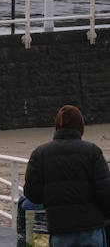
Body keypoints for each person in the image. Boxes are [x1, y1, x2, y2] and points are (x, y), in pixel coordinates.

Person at [23, 104, 110, 247]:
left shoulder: (39, 154)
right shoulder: (93, 152)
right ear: (81, 126)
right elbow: (105, 193)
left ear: (57, 126)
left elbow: (32, 194)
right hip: (91, 228)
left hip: (60, 229)